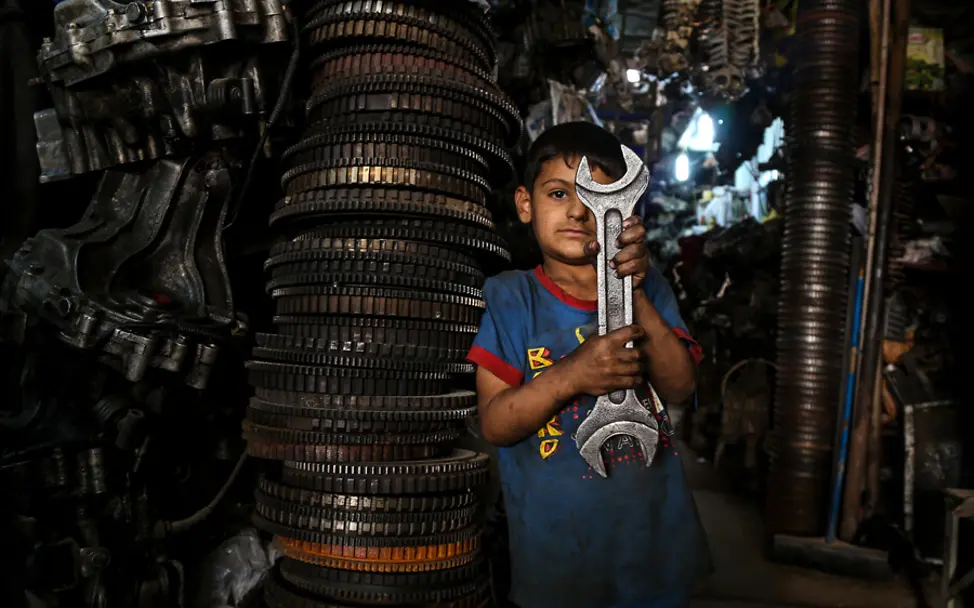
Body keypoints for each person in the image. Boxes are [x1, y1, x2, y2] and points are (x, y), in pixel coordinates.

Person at [466, 122, 712, 608]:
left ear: (622, 213)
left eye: (596, 199)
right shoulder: (511, 298)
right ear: (524, 204)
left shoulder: (649, 287)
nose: (579, 211)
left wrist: (634, 291)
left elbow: (680, 386)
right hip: (554, 556)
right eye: (559, 193)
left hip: (653, 547)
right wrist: (572, 374)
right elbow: (495, 423)